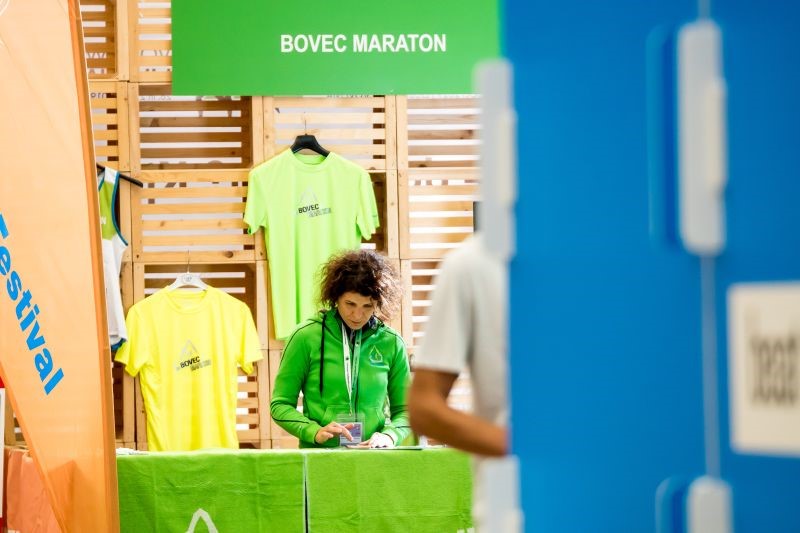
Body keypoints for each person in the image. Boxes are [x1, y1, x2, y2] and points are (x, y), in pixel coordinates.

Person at [408, 233, 512, 528]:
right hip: (512, 508)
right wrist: (531, 447)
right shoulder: (473, 263)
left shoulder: (624, 250)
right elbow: (424, 408)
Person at [270, 249, 411, 448]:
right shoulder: (305, 337)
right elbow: (280, 405)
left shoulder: (392, 342)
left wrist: (390, 436)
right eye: (350, 304)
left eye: (367, 306)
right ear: (335, 297)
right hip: (321, 457)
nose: (357, 315)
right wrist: (313, 431)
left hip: (373, 456)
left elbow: (406, 410)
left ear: (379, 303)